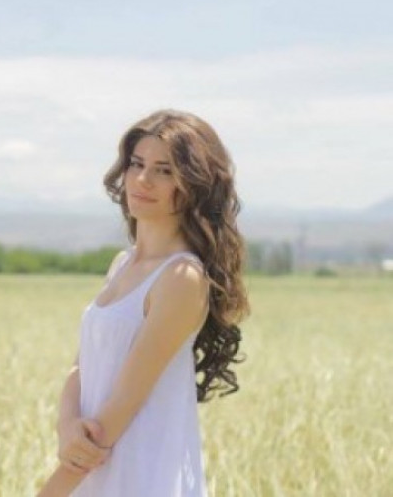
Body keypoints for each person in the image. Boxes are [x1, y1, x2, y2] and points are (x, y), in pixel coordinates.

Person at [38, 109, 250, 496]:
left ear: (195, 184)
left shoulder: (181, 278)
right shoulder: (122, 264)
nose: (142, 180)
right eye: (137, 164)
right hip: (92, 476)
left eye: (164, 171)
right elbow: (81, 366)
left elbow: (117, 413)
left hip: (140, 477)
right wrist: (66, 425)